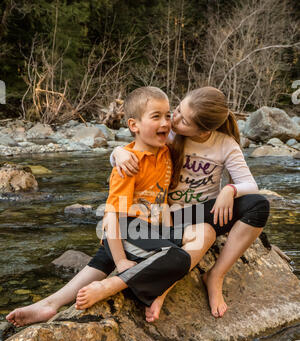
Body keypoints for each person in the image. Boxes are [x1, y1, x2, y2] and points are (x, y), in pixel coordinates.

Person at [6, 86, 215, 327]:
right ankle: (111, 285)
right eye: (156, 116)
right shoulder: (128, 164)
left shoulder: (165, 152)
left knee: (205, 232)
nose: (166, 122)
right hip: (126, 229)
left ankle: (49, 304)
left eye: (168, 115)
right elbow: (114, 216)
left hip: (149, 231)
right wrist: (122, 262)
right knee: (174, 257)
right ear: (133, 125)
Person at [109, 86, 270, 321]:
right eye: (177, 110)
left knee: (258, 205)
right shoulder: (169, 134)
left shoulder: (225, 145)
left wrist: (230, 189)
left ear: (204, 130)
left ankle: (215, 275)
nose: (174, 120)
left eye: (183, 120)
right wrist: (116, 152)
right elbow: (137, 151)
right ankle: (162, 288)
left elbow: (250, 184)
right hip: (168, 216)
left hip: (203, 212)